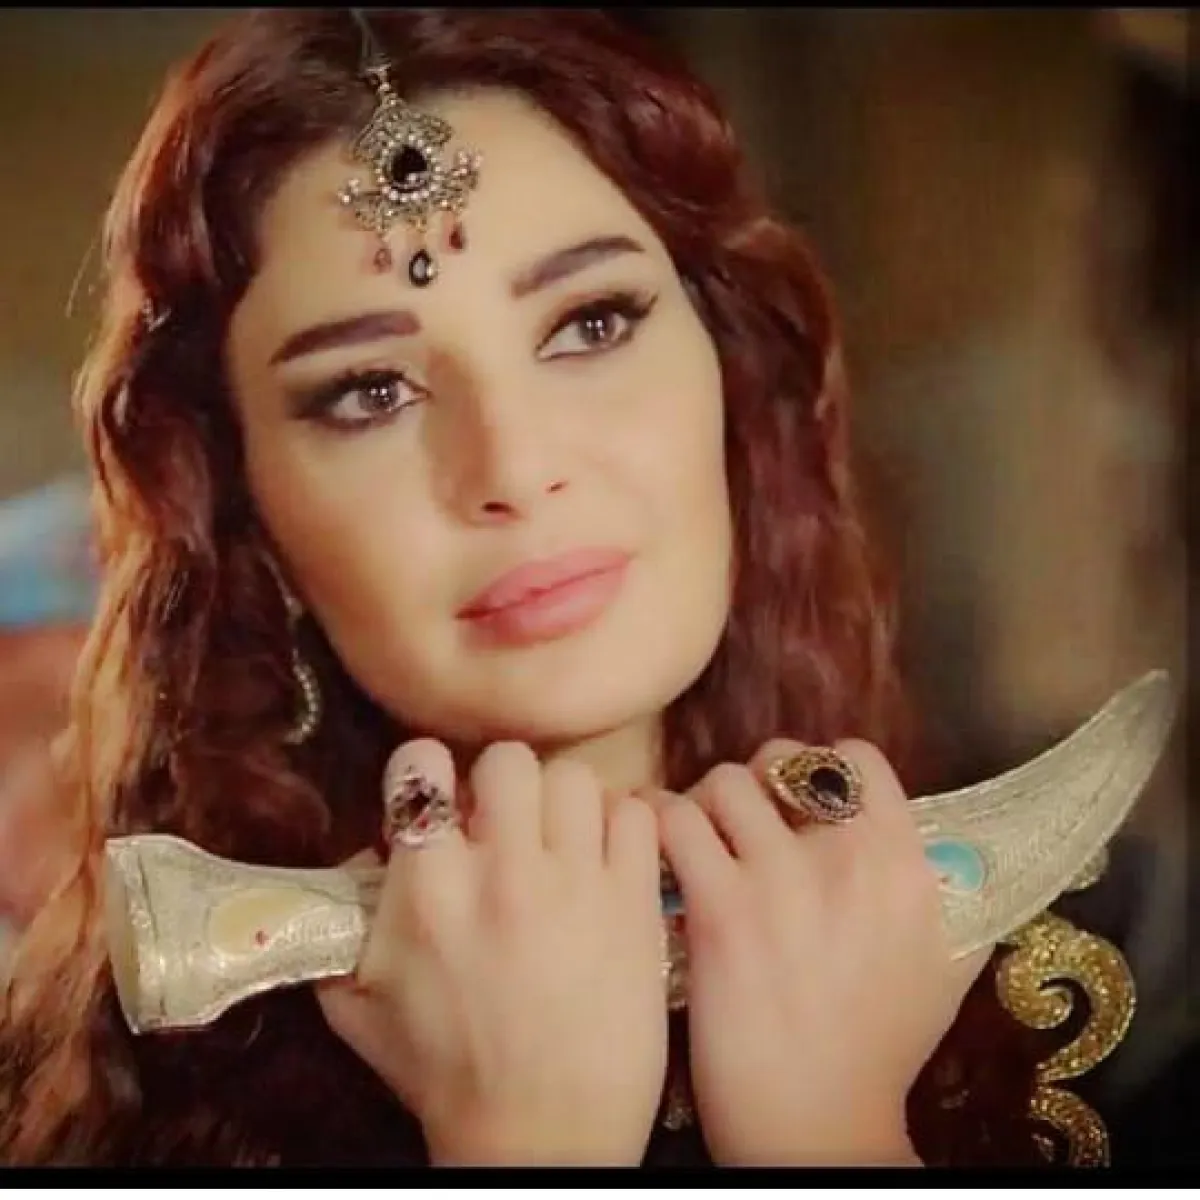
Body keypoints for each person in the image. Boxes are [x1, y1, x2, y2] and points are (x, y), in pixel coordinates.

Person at [0, 9, 1120, 1166]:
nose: (516, 468)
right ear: (251, 520)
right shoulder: (144, 1105)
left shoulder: (1086, 999)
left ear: (730, 375)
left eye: (591, 324)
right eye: (370, 392)